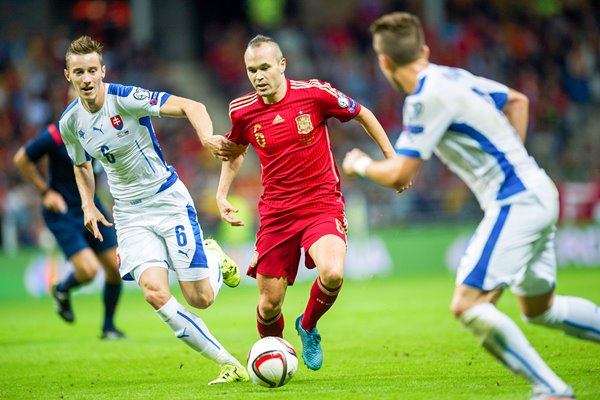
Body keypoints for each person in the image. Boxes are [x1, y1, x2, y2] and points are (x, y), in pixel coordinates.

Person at [343, 12, 600, 400]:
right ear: (424, 50)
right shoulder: (454, 76)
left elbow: (399, 175)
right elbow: (518, 100)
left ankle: (552, 389)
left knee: (467, 305)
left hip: (516, 200)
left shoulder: (423, 100)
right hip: (538, 189)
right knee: (538, 308)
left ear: (383, 63)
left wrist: (359, 163)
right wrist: (512, 157)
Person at [58, 35, 249, 385]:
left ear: (103, 71)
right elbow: (81, 165)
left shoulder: (125, 99)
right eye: (78, 72)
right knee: (154, 292)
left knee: (201, 298)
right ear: (68, 76)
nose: (86, 78)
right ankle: (228, 363)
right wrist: (87, 202)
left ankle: (213, 258)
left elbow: (194, 106)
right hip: (130, 215)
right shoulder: (69, 123)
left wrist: (206, 137)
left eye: (91, 71)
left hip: (167, 201)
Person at [216, 34, 395, 371]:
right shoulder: (242, 112)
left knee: (332, 272)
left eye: (265, 67)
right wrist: (221, 194)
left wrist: (391, 159)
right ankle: (273, 356)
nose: (258, 76)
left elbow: (363, 114)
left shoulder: (315, 94)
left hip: (321, 204)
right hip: (276, 214)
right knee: (269, 306)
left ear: (282, 65)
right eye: (252, 70)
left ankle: (308, 325)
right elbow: (235, 152)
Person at [14, 118, 125, 340]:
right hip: (64, 211)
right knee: (89, 271)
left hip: (92, 207)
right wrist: (45, 192)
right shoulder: (56, 134)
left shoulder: (101, 129)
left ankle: (108, 327)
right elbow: (21, 160)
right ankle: (62, 288)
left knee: (116, 267)